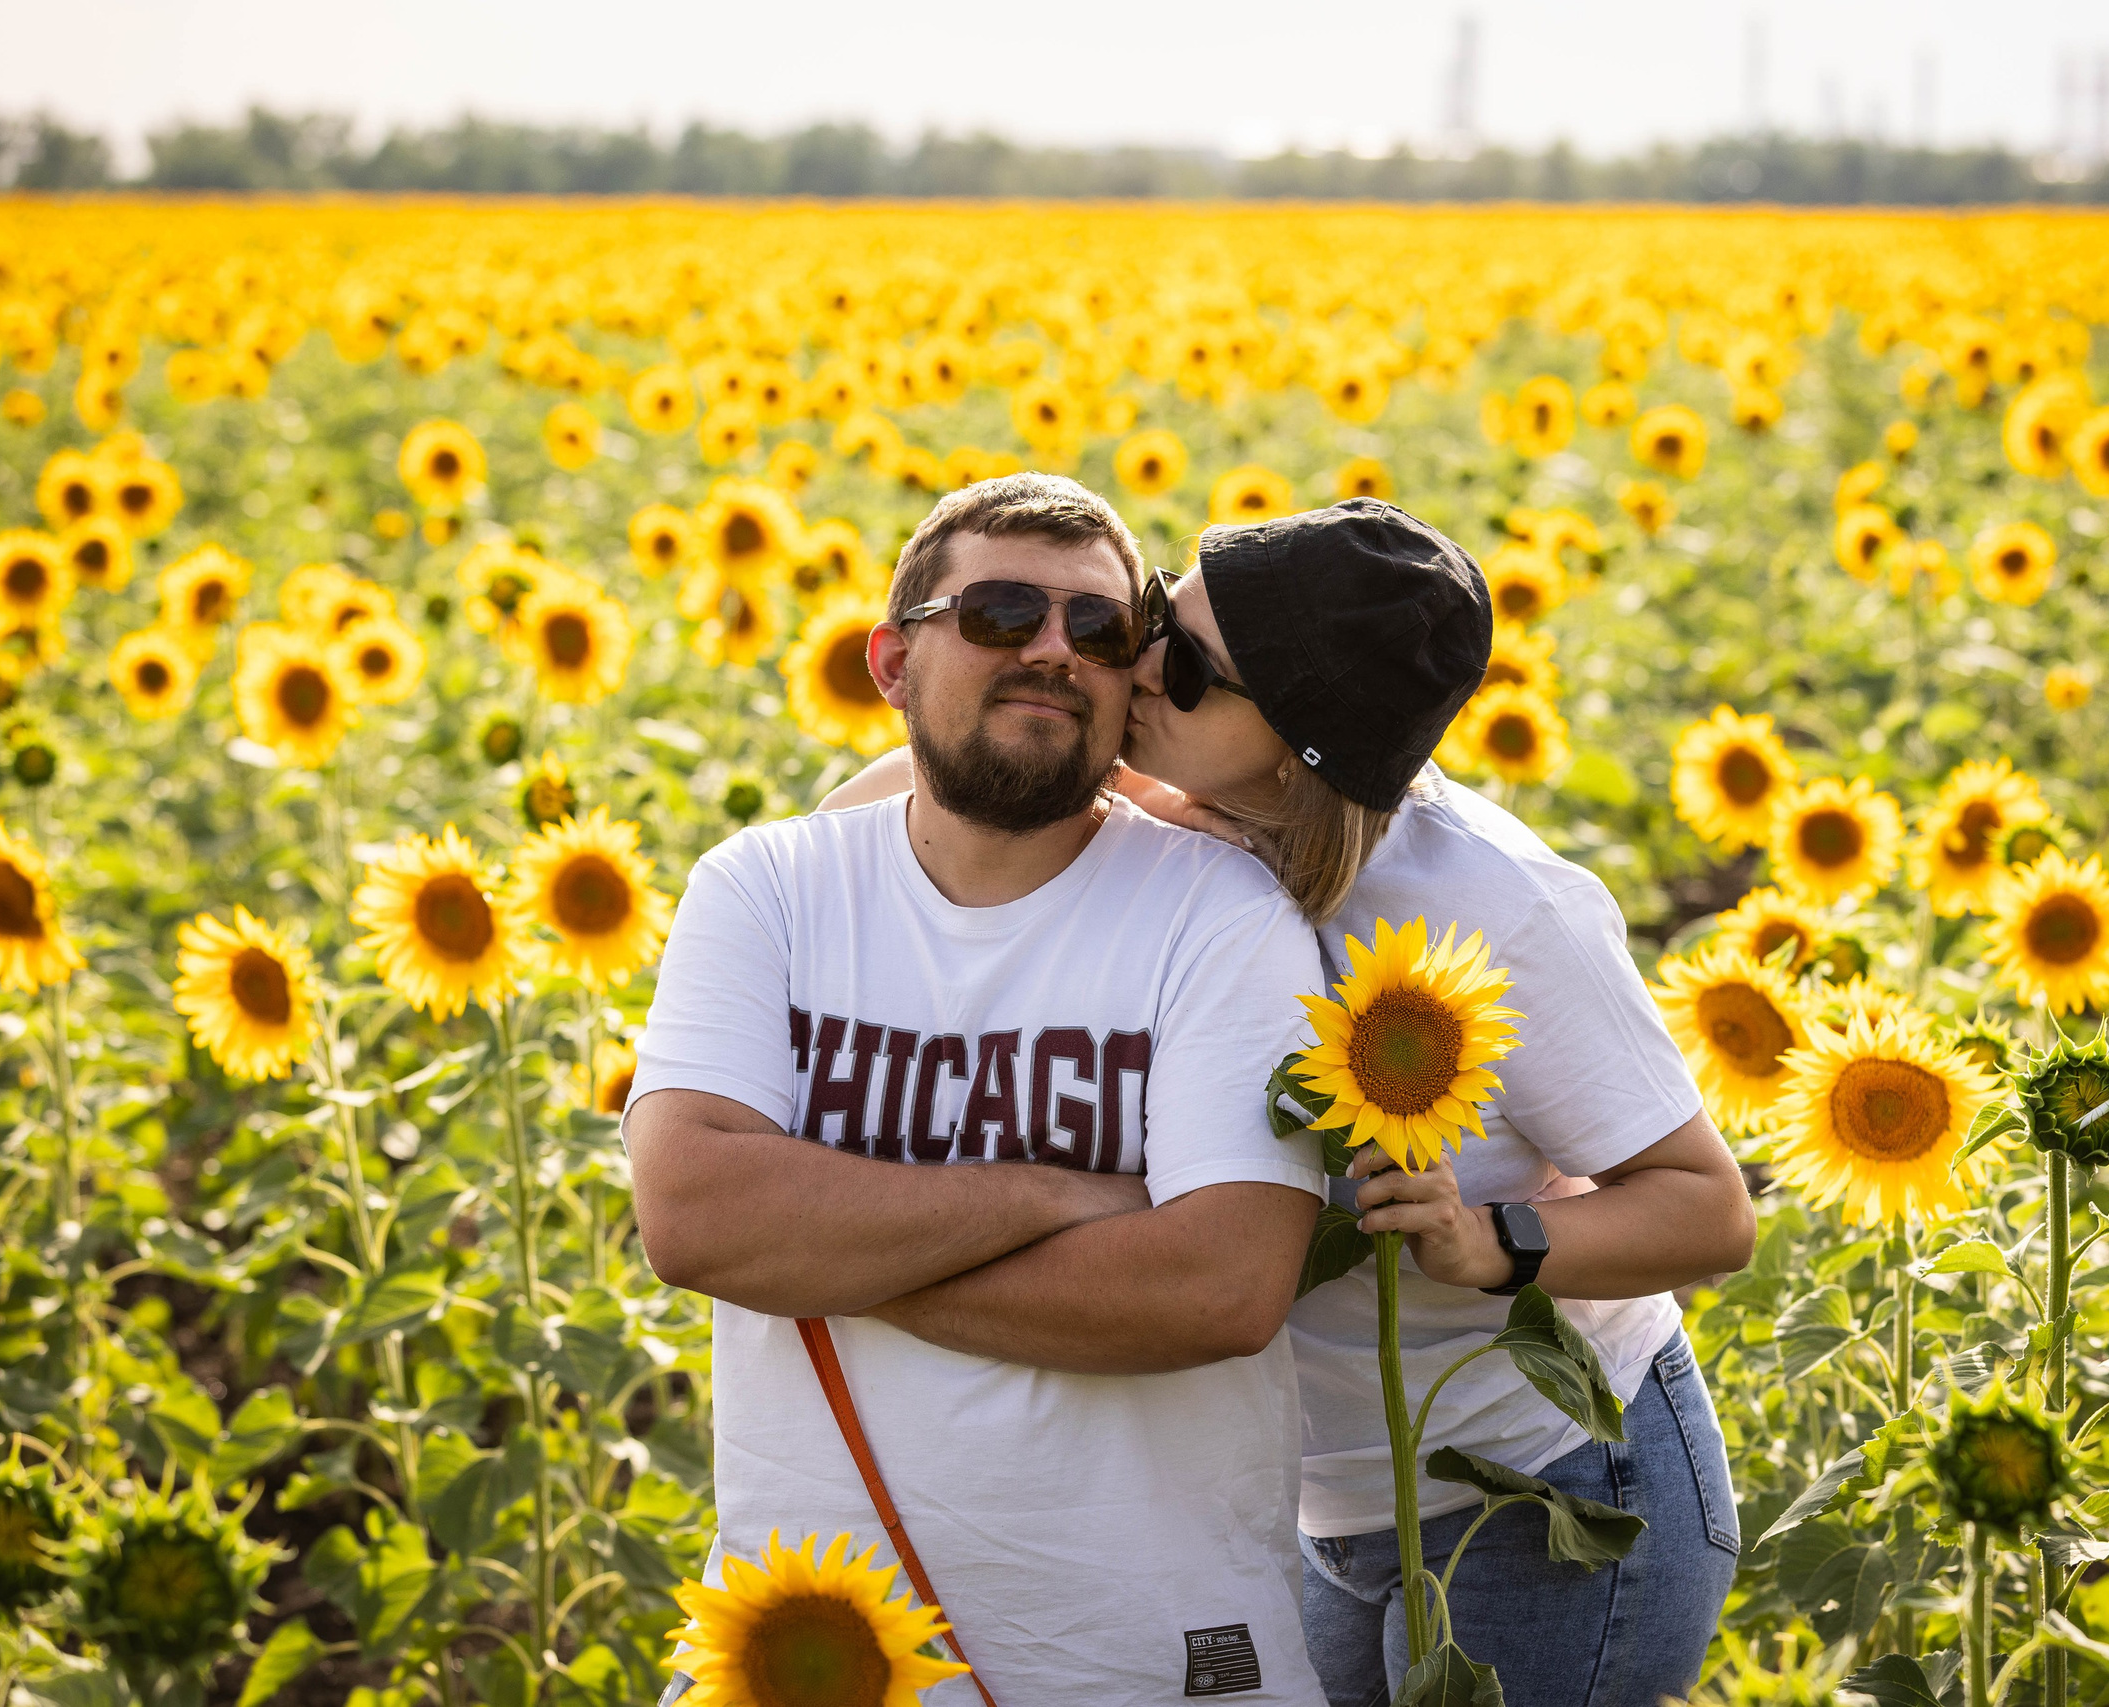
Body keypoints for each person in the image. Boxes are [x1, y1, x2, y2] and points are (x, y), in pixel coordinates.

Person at [829, 498, 1756, 1707]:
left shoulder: (1495, 908)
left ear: (1295, 749)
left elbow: (1706, 1210)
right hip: (1323, 1506)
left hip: (1547, 1489)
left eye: (1190, 670)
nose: (1140, 668)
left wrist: (1493, 1243)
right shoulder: (1155, 807)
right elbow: (875, 817)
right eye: (1159, 619)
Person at [624, 473, 1332, 1703]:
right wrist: (1058, 1196)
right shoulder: (764, 889)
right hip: (819, 1648)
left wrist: (824, 1252)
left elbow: (1218, 1287)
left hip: (1154, 1655)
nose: (1052, 650)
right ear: (892, 664)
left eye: (1098, 629)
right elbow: (695, 1218)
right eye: (1000, 613)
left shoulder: (1223, 912)